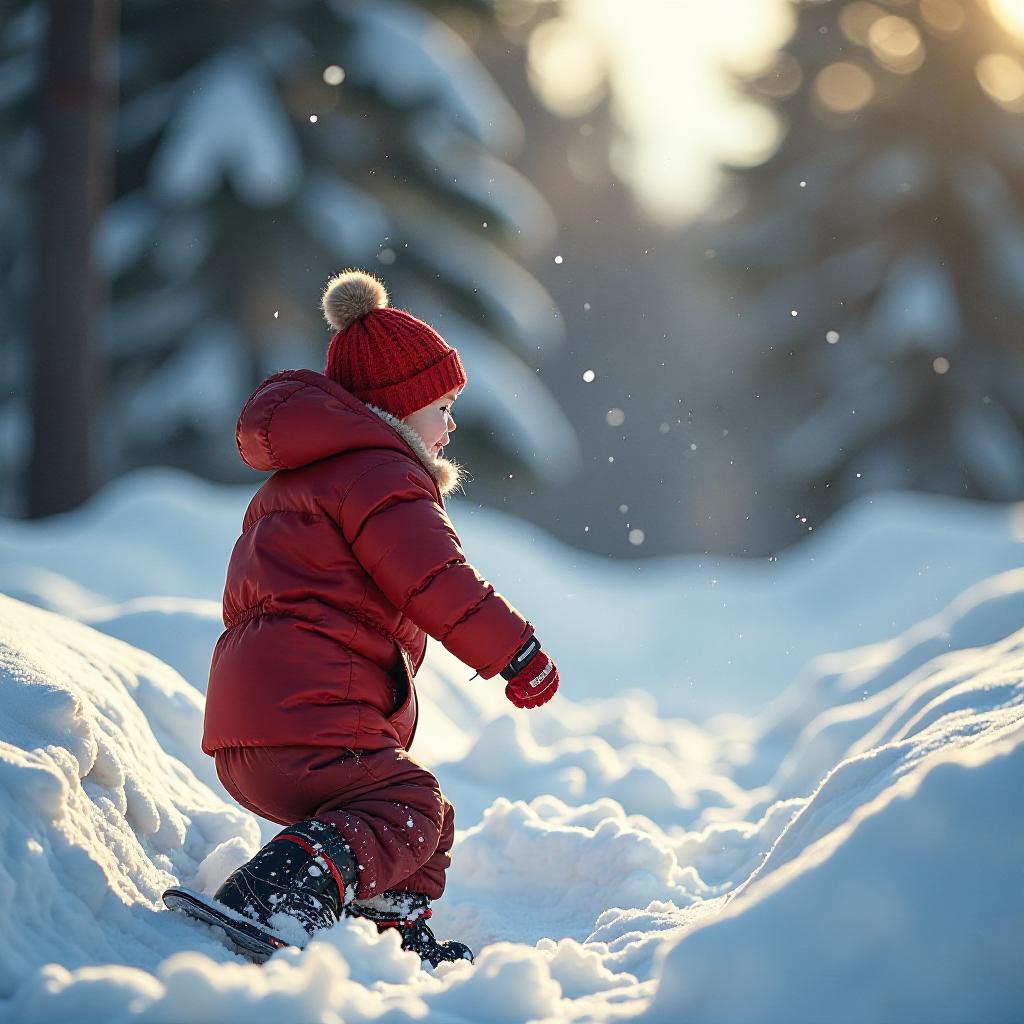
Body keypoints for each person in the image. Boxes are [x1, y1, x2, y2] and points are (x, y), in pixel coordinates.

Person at [162, 269, 560, 967]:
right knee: (410, 803)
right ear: (399, 409)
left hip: (257, 727)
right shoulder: (381, 476)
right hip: (311, 714)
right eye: (442, 405)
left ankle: (380, 931)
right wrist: (515, 652)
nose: (451, 424)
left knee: (423, 816)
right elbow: (434, 578)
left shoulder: (304, 480)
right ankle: (272, 894)